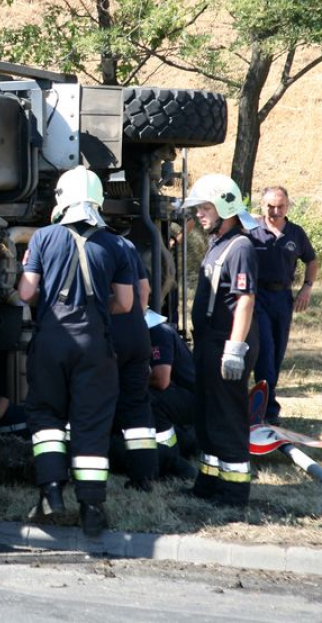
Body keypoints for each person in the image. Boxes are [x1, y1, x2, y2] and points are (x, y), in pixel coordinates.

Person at [18, 166, 134, 538]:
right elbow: (126, 302)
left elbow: (26, 293)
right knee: (91, 422)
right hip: (94, 343)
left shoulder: (43, 237)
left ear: (61, 199)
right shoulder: (116, 244)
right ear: (99, 200)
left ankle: (51, 494)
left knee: (47, 415)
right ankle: (92, 508)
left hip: (51, 339)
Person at [182, 174, 259, 508]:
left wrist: (234, 348)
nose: (200, 214)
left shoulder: (240, 247)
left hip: (225, 344)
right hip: (209, 343)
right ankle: (209, 483)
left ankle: (234, 491)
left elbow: (245, 300)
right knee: (208, 414)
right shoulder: (218, 245)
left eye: (205, 207)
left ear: (225, 207)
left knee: (227, 415)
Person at [250, 186, 317, 424]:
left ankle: (264, 402)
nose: (275, 211)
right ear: (261, 204)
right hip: (257, 298)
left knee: (277, 353)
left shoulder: (296, 233)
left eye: (280, 206)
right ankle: (266, 410)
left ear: (287, 206)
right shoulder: (250, 230)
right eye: (270, 206)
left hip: (283, 299)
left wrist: (307, 287)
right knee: (265, 351)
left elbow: (311, 260)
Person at [107, 233, 158, 489]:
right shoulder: (126, 244)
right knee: (137, 405)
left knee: (96, 402)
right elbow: (144, 290)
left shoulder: (88, 244)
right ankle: (143, 475)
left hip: (109, 336)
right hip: (138, 335)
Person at [146, 312, 198, 479]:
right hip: (181, 396)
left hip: (190, 399)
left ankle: (169, 458)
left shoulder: (157, 332)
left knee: (151, 399)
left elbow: (161, 380)